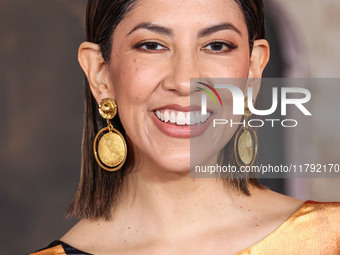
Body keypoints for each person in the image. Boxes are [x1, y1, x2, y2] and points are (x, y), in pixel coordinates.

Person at [30, 0, 340, 254]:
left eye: (216, 45)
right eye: (152, 45)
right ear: (100, 74)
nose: (183, 81)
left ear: (253, 70)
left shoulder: (330, 237)